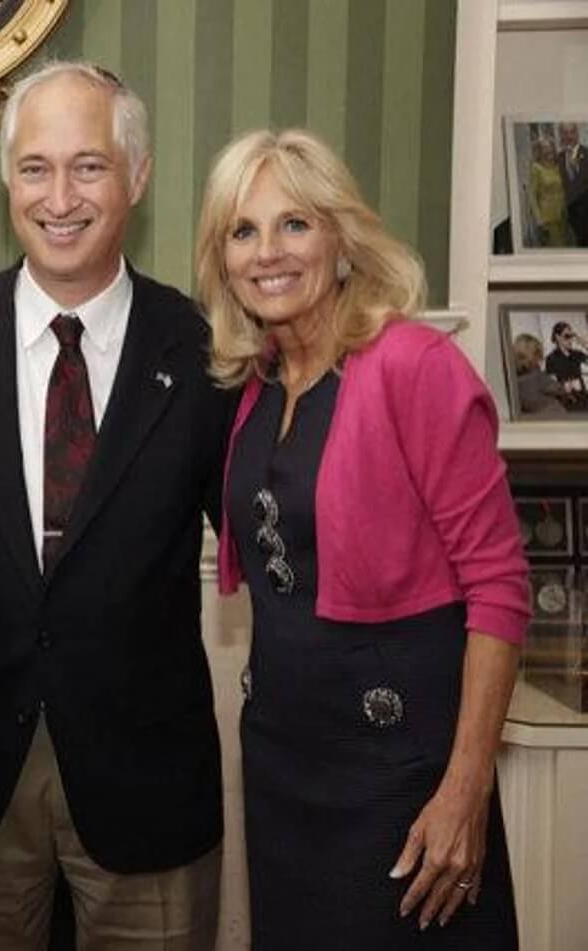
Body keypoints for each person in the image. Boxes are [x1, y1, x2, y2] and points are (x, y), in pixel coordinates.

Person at [0, 61, 234, 949]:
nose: (59, 195)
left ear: (137, 177)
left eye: (89, 166)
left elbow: (279, 532)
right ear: (8, 181)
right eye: (35, 167)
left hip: (145, 782)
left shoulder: (205, 353)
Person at [197, 128, 527, 948]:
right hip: (283, 773)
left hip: (400, 778)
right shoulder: (259, 382)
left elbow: (499, 587)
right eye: (243, 230)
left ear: (340, 237)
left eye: (294, 224)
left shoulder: (414, 364)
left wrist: (463, 790)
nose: (267, 251)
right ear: (222, 259)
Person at [527, 136, 570, 247]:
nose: (548, 150)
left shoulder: (558, 166)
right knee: (558, 249)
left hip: (564, 216)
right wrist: (539, 220)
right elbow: (532, 195)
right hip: (548, 219)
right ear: (539, 151)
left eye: (550, 146)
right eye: (544, 148)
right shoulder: (536, 168)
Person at [512, 333, 568, 416]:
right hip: (552, 414)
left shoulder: (513, 379)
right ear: (536, 355)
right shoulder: (537, 376)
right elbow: (559, 390)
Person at [545, 319, 588, 410]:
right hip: (566, 403)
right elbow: (551, 386)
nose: (570, 339)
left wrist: (584, 344)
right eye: (567, 336)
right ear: (557, 337)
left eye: (572, 336)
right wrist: (566, 385)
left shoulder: (577, 354)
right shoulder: (551, 359)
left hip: (583, 399)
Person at [557, 122, 588, 246]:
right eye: (565, 133)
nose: (569, 136)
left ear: (577, 134)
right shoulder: (558, 158)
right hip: (571, 216)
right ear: (561, 136)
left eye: (572, 132)